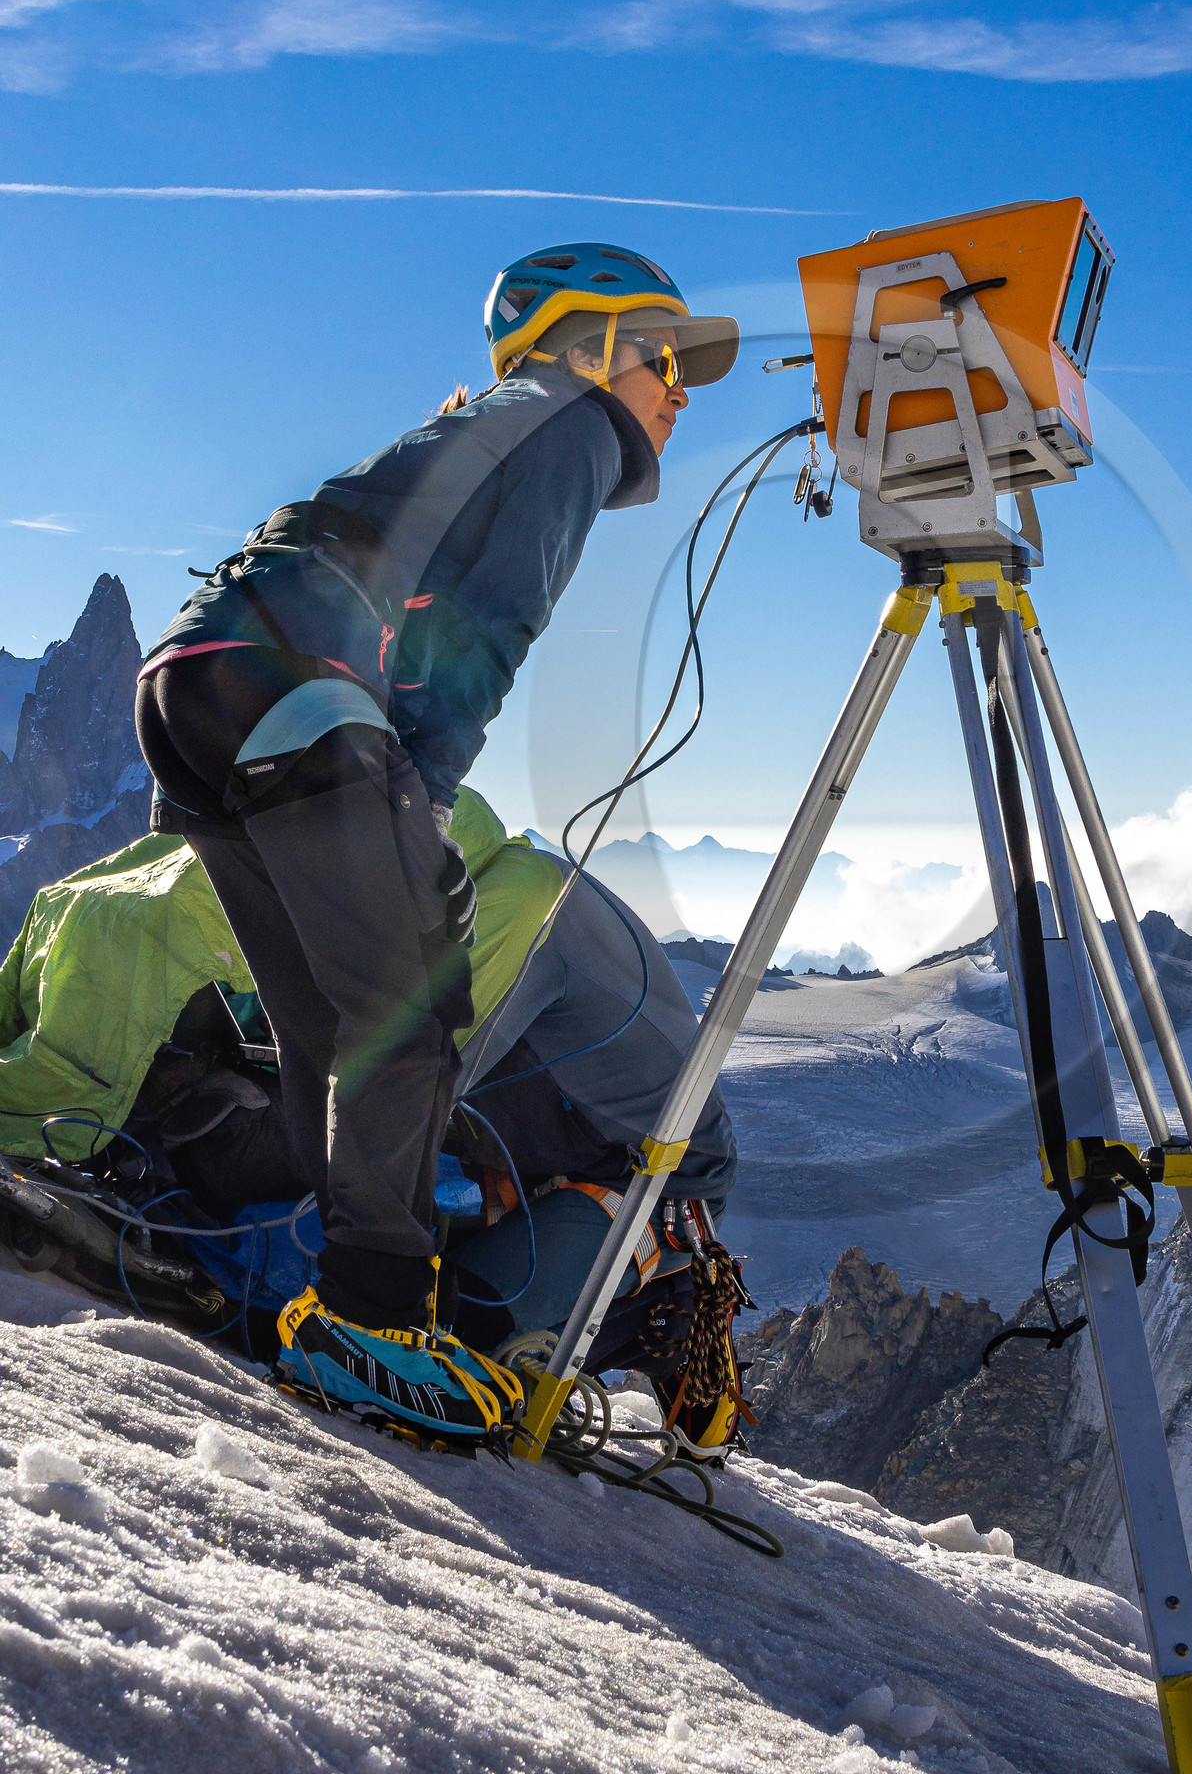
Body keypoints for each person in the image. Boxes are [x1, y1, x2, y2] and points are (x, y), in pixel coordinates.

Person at [134, 244, 739, 1453]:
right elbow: (482, 634)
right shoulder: (568, 422)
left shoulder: (495, 421)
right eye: (664, 358)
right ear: (589, 344)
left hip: (197, 679)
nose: (681, 391)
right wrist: (421, 805)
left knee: (329, 1024)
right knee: (412, 1004)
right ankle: (369, 1322)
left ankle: (336, 1296)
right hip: (293, 687)